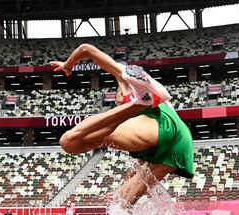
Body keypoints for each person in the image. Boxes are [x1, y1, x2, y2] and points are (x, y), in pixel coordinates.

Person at [51, 43, 194, 206]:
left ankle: (140, 103)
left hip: (162, 122)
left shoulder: (125, 83)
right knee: (121, 204)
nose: (117, 98)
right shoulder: (137, 125)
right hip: (178, 145)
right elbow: (141, 164)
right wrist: (122, 188)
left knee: (69, 142)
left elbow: (86, 49)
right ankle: (143, 102)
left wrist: (68, 65)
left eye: (117, 95)